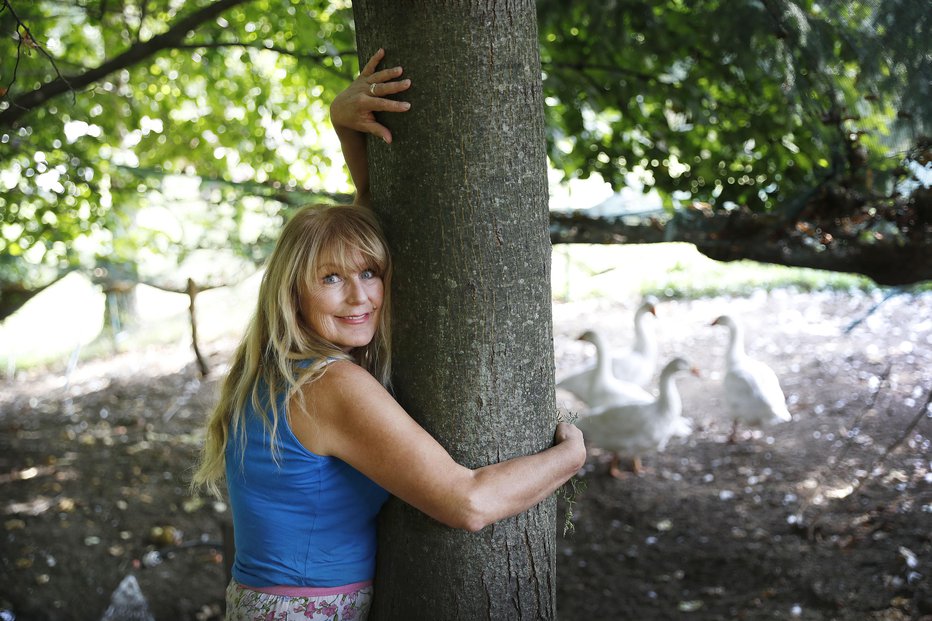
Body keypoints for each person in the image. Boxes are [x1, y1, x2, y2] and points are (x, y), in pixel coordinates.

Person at [191, 48, 586, 621]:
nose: (360, 296)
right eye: (331, 279)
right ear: (293, 292)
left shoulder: (276, 369)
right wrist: (570, 456)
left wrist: (346, 126)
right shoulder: (329, 387)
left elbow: (365, 230)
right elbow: (468, 501)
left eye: (371, 275)